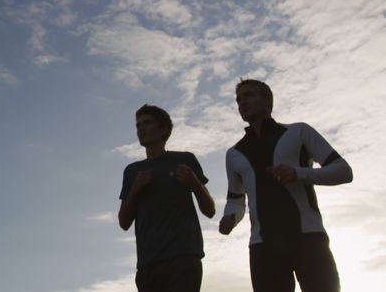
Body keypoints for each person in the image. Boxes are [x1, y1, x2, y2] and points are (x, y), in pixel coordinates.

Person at [219, 79, 353, 292]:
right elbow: (235, 200)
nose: (242, 102)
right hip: (263, 247)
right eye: (238, 99)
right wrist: (230, 218)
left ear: (268, 101)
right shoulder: (233, 154)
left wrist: (298, 174)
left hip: (308, 238)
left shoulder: (299, 132)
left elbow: (344, 171)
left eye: (249, 95)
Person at [118, 104, 215, 292]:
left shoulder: (185, 160)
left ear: (163, 129)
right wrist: (136, 189)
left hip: (184, 258)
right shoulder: (132, 171)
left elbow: (210, 210)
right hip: (148, 263)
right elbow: (123, 222)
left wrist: (195, 183)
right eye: (138, 125)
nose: (141, 128)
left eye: (147, 123)